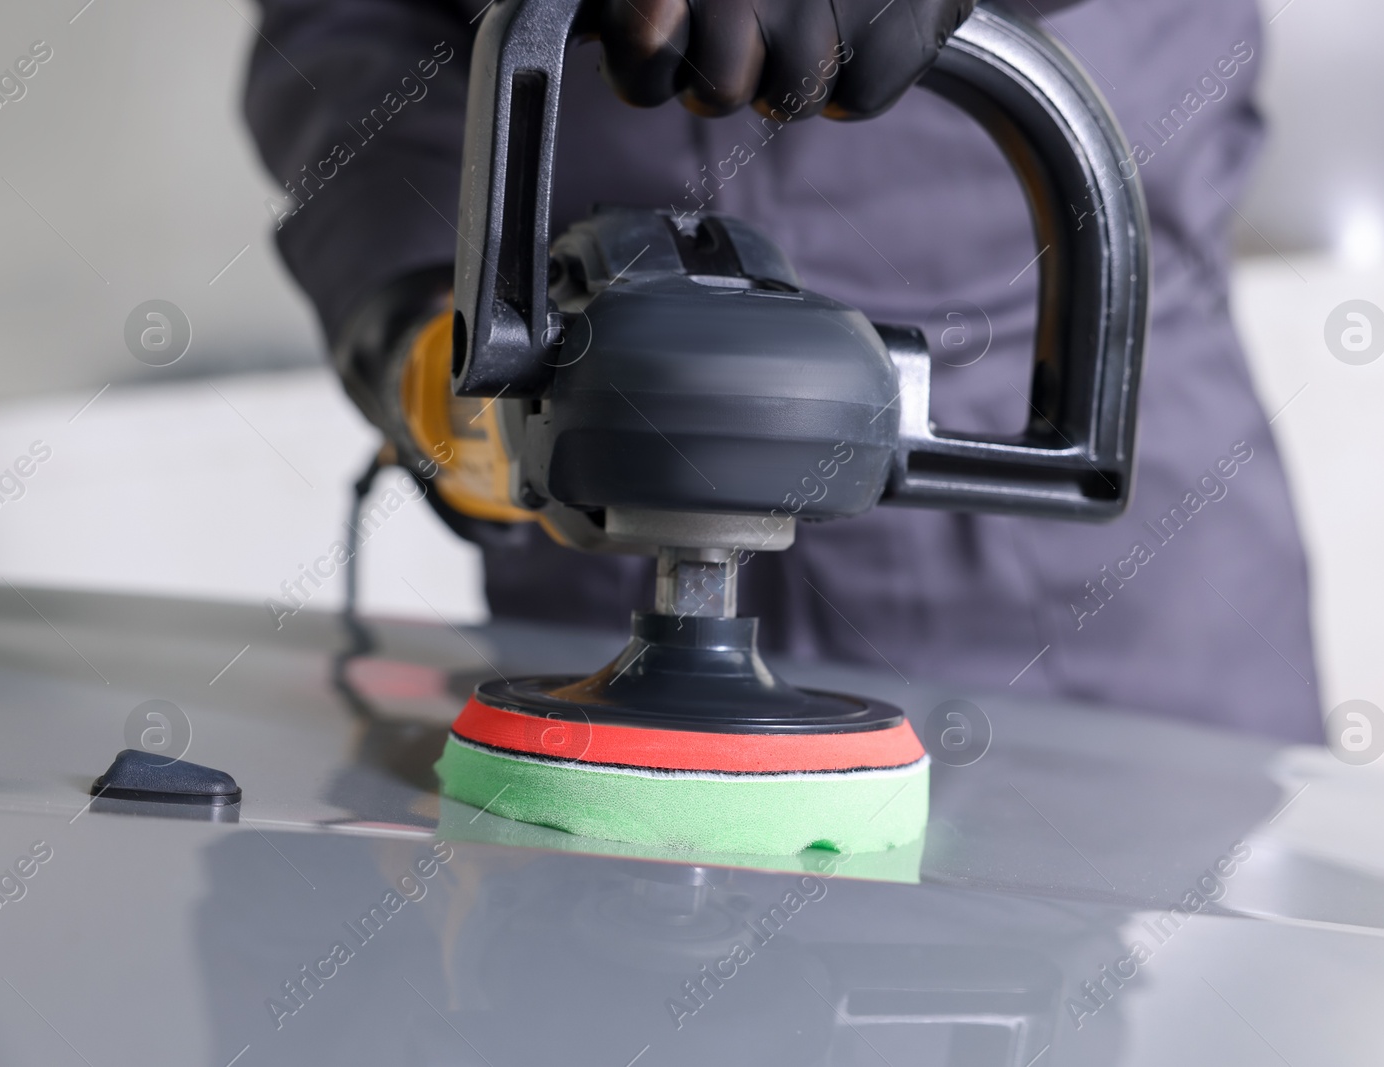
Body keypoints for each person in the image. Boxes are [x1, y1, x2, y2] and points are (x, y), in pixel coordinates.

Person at [244, 0, 1322, 741]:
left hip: (1068, 531)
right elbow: (353, 26)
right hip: (595, 461)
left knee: (1139, 981)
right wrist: (424, 301)